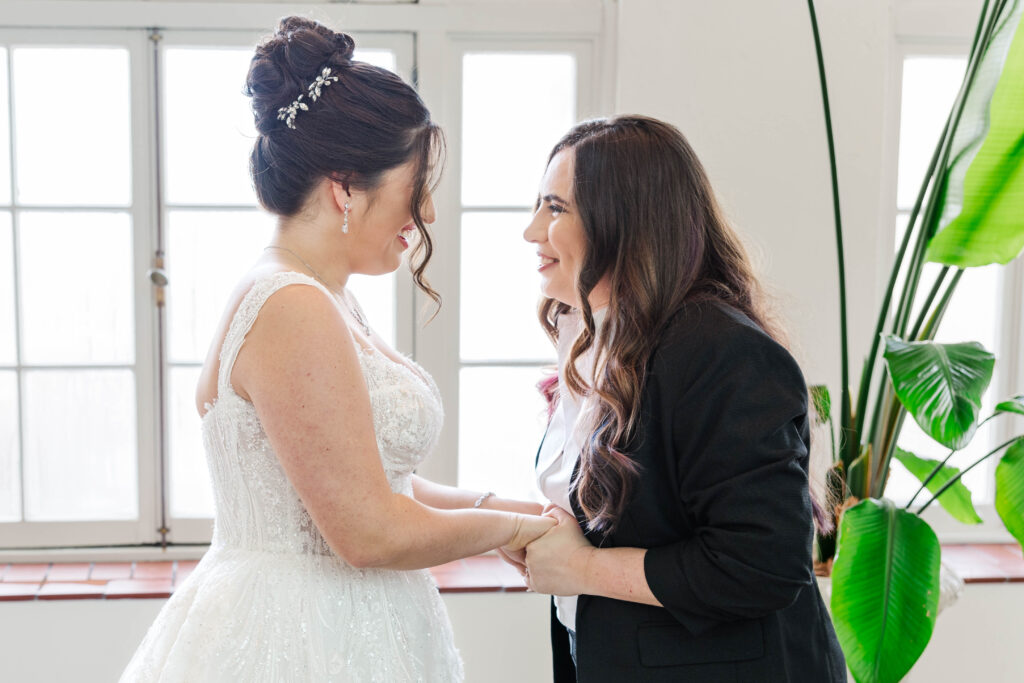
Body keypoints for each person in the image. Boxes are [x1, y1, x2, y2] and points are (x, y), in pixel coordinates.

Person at [120, 17, 552, 682]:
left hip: (347, 621)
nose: (427, 213)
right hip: (300, 637)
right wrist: (509, 533)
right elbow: (368, 531)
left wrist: (501, 504)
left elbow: (372, 480)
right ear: (345, 186)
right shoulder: (292, 306)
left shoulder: (324, 296)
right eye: (415, 186)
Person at [513, 116, 846, 682]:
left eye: (555, 208)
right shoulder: (594, 335)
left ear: (625, 220)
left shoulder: (723, 352)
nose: (532, 231)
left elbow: (762, 565)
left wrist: (584, 569)